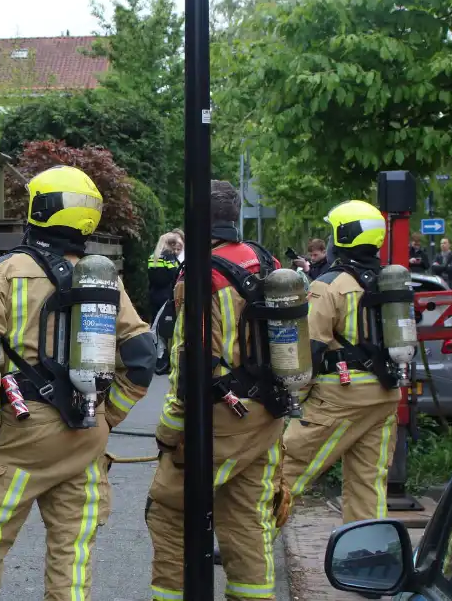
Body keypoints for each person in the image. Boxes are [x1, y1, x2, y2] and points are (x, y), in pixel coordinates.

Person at [0, 165, 158, 601]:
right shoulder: (103, 279)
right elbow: (142, 357)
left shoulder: (4, 272)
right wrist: (108, 416)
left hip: (20, 433)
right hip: (85, 433)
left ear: (38, 209)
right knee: (71, 559)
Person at [146, 180, 291, 601]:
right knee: (247, 517)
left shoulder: (200, 275)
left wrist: (169, 432)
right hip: (266, 415)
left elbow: (187, 366)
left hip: (219, 422)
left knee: (170, 513)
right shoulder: (266, 262)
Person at [279, 200, 401, 524]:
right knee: (368, 487)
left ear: (343, 236)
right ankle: (367, 557)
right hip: (384, 397)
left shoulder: (329, 285)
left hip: (340, 398)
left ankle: (251, 540)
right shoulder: (389, 282)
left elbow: (309, 349)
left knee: (284, 467)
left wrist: (295, 398)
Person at [148, 233, 183, 374]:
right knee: (162, 329)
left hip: (154, 296)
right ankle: (162, 359)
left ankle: (157, 356)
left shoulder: (153, 257)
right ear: (171, 244)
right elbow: (176, 275)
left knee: (155, 326)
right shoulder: (169, 257)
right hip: (166, 297)